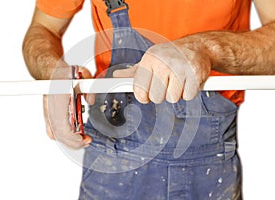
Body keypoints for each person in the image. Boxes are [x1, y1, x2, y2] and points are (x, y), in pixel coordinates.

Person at [23, 0, 275, 199]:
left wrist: (206, 48)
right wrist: (53, 75)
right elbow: (42, 29)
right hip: (113, 155)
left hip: (208, 162)